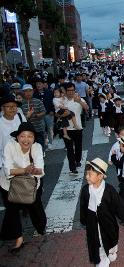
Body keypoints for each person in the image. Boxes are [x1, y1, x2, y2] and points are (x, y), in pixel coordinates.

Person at [80, 158, 124, 267]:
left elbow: (120, 206)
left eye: (90, 174)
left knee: (112, 240)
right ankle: (102, 261)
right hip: (93, 224)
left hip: (108, 224)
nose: (86, 176)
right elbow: (83, 207)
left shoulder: (109, 190)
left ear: (100, 176)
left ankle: (112, 251)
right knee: (97, 244)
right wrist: (84, 220)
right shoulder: (85, 190)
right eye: (86, 173)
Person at [0, 122, 46, 253]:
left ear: (34, 138)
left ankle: (41, 228)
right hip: (9, 185)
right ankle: (18, 238)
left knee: (36, 207)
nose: (26, 139)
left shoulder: (37, 147)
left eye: (30, 136)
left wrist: (36, 170)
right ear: (17, 137)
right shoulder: (10, 146)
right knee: (12, 211)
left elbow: (40, 169)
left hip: (31, 185)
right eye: (23, 136)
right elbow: (7, 170)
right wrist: (24, 170)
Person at [57, 82, 89, 175]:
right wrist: (63, 114)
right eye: (68, 90)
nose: (70, 92)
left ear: (74, 90)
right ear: (65, 91)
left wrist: (79, 101)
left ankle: (78, 160)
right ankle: (72, 167)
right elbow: (57, 113)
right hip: (66, 129)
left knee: (78, 147)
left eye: (72, 90)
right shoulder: (62, 101)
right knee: (69, 149)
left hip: (78, 128)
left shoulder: (79, 99)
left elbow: (86, 108)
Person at [20, 84, 46, 150]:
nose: (28, 93)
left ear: (33, 91)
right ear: (23, 92)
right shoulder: (20, 103)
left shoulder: (38, 101)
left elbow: (44, 112)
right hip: (26, 131)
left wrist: (36, 115)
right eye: (26, 91)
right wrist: (27, 116)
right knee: (28, 149)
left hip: (38, 129)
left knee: (40, 148)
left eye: (30, 91)